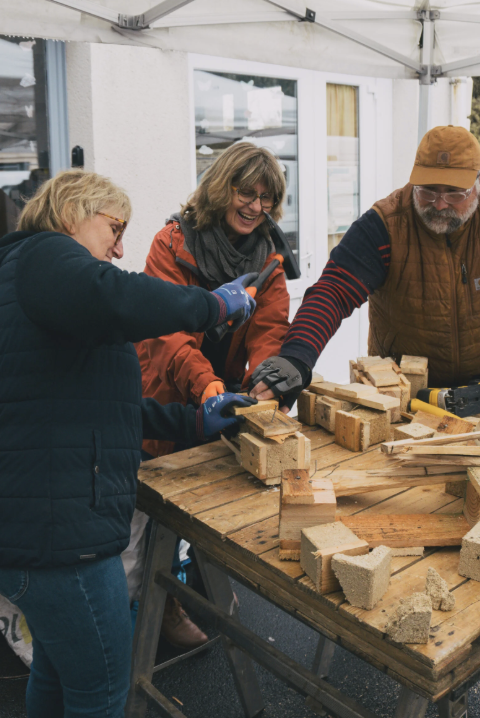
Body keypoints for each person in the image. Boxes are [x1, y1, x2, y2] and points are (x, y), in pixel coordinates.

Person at [0, 169, 258, 718]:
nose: (120, 249)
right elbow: (119, 295)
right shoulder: (46, 255)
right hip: (54, 535)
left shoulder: (36, 288)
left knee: (57, 670)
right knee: (100, 690)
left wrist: (195, 422)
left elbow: (106, 407)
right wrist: (212, 306)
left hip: (23, 528)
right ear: (71, 213)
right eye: (115, 228)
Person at [250, 125, 480, 423]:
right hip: (397, 397)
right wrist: (297, 358)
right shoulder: (386, 223)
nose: (439, 205)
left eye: (454, 193)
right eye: (428, 191)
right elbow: (333, 292)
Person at [134, 142, 291, 648]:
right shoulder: (171, 242)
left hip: (220, 392)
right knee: (155, 513)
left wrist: (267, 377)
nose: (256, 207)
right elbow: (168, 334)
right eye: (246, 193)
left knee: (212, 499)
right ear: (221, 188)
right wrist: (208, 386)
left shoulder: (268, 257)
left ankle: (205, 586)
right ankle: (160, 607)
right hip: (164, 393)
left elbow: (271, 329)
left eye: (267, 198)